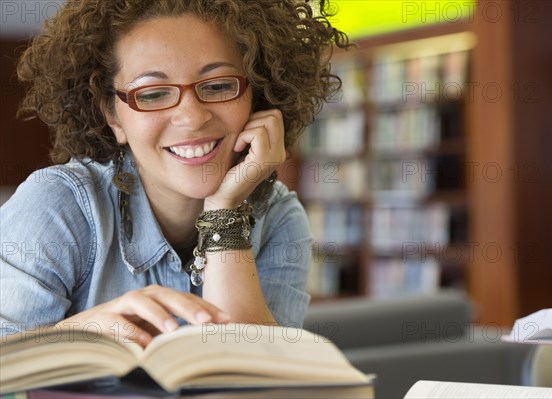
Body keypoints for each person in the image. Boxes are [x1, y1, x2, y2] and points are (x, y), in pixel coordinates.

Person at [0, 0, 350, 347]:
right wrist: (72, 338)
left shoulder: (277, 217)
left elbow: (259, 379)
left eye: (217, 86)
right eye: (152, 94)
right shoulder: (55, 207)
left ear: (259, 99)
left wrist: (224, 212)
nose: (192, 117)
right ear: (113, 116)